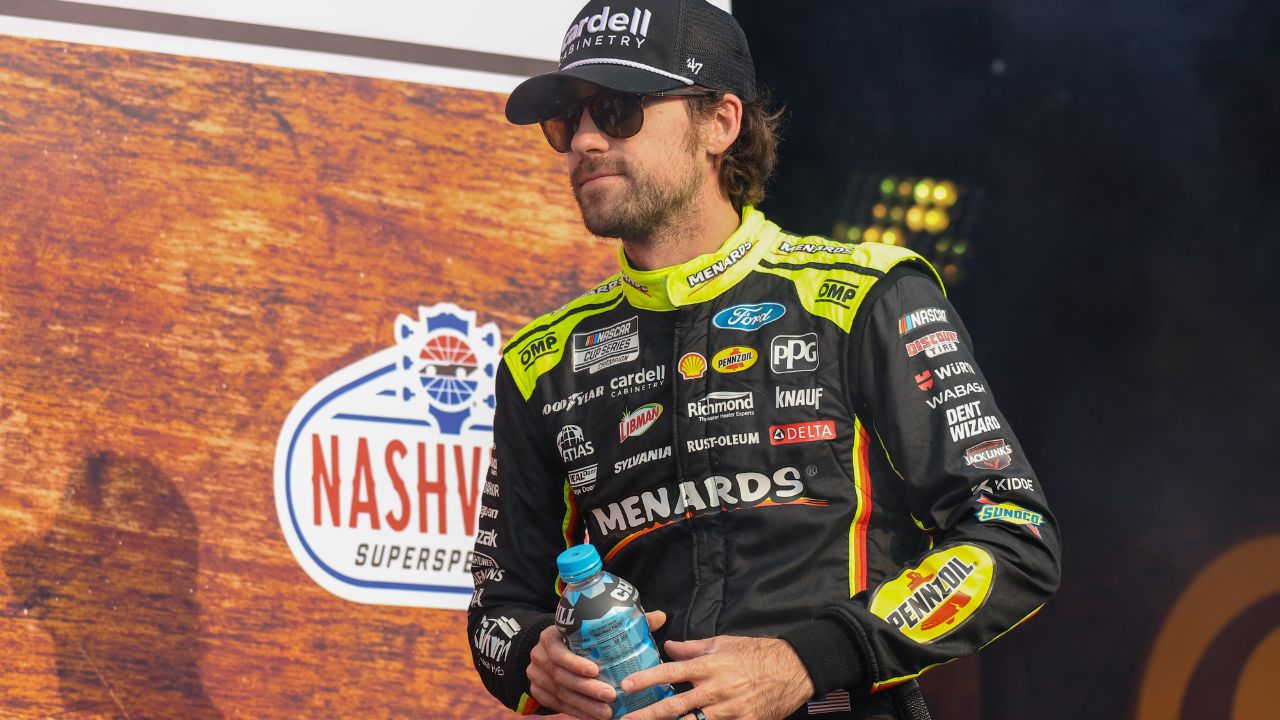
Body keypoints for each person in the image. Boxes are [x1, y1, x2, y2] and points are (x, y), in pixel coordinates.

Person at [466, 1, 1061, 718]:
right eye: (569, 118)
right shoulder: (542, 361)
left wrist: (805, 662)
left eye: (618, 109)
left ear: (720, 122)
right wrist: (538, 658)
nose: (584, 141)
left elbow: (1013, 537)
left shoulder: (864, 298)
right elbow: (499, 608)